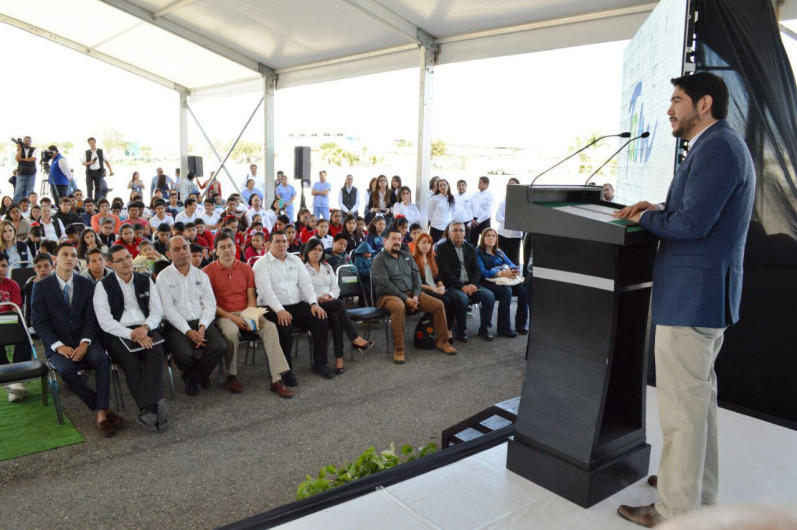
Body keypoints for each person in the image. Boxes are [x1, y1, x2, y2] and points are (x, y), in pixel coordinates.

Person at [614, 73, 756, 527]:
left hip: (694, 298)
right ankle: (696, 488)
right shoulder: (722, 145)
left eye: (677, 100)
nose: (670, 109)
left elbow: (692, 224)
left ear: (704, 103)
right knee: (698, 404)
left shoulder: (717, 147)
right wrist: (656, 209)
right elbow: (698, 215)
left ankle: (676, 509)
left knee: (682, 410)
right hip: (705, 296)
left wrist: (651, 214)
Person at [32, 243, 121, 436]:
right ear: (55, 258)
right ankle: (101, 407)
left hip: (85, 340)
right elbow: (39, 323)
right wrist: (59, 346)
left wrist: (85, 342)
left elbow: (91, 317)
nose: (70, 258)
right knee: (65, 369)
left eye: (73, 255)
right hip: (58, 344)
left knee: (101, 360)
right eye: (65, 254)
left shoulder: (86, 284)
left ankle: (101, 415)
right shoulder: (41, 287)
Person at [204, 233, 294, 395]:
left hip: (247, 311)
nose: (227, 250)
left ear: (236, 247)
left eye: (230, 246)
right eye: (222, 247)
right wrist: (235, 319)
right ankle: (231, 375)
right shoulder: (207, 272)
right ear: (215, 251)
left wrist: (250, 316)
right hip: (224, 315)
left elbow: (251, 297)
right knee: (231, 332)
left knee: (270, 327)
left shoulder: (245, 268)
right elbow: (211, 305)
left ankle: (277, 378)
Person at [94, 244, 168, 431]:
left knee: (156, 353)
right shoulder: (103, 286)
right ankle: (154, 405)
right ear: (110, 264)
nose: (127, 262)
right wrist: (132, 334)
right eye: (120, 260)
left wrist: (145, 328)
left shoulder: (145, 279)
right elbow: (105, 321)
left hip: (145, 326)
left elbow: (157, 310)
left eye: (128, 257)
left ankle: (147, 410)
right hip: (119, 331)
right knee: (131, 363)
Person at [253, 230, 333, 379]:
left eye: (284, 241)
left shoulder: (295, 260)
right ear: (269, 244)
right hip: (271, 307)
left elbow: (305, 283)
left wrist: (314, 303)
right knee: (284, 324)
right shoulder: (261, 264)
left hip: (295, 305)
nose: (282, 244)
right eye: (278, 241)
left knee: (320, 318)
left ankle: (320, 364)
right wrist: (279, 310)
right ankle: (286, 370)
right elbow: (265, 291)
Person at [372, 228, 457, 363]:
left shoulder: (406, 255)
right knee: (399, 307)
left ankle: (443, 341)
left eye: (399, 239)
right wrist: (406, 299)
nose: (397, 242)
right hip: (388, 296)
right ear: (385, 241)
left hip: (412, 294)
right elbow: (385, 285)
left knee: (438, 304)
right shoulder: (379, 260)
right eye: (394, 239)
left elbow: (417, 278)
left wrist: (416, 296)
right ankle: (399, 349)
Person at [156, 236, 226, 396]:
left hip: (202, 322)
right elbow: (168, 310)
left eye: (185, 247)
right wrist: (188, 331)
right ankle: (199, 375)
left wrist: (202, 326)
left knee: (219, 347)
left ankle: (193, 377)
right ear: (168, 254)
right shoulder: (163, 277)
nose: (182, 252)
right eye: (176, 249)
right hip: (175, 325)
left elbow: (209, 304)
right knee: (184, 355)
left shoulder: (201, 275)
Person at [303, 239, 373, 374]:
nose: (317, 252)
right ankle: (354, 339)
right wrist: (317, 299)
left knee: (336, 315)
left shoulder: (327, 267)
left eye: (320, 250)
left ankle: (339, 359)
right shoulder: (303, 269)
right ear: (307, 251)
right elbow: (302, 291)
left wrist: (328, 296)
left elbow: (336, 288)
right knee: (339, 305)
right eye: (314, 249)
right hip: (312, 305)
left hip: (329, 302)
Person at [436, 221, 496, 341]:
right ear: (449, 232)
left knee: (489, 296)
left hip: (471, 284)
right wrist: (462, 287)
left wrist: (473, 284)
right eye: (455, 230)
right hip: (453, 285)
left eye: (461, 230)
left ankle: (484, 328)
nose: (458, 233)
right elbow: (446, 272)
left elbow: (476, 270)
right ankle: (461, 331)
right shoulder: (442, 248)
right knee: (463, 299)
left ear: (464, 233)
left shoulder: (470, 247)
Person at [477, 228, 528, 337]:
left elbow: (511, 264)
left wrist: (514, 270)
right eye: (488, 235)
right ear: (483, 238)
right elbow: (483, 272)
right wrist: (501, 273)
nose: (491, 238)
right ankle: (504, 328)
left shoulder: (499, 251)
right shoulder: (478, 252)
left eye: (493, 236)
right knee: (506, 291)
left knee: (523, 291)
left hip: (504, 279)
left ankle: (520, 325)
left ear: (496, 239)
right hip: (487, 281)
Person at [412, 233, 457, 343]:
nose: (426, 245)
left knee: (454, 299)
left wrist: (441, 285)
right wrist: (434, 289)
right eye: (423, 243)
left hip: (435, 288)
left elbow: (438, 276)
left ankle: (448, 329)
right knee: (445, 300)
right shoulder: (413, 260)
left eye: (429, 243)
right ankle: (440, 331)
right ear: (417, 244)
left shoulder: (432, 258)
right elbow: (415, 283)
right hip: (423, 291)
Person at [495, 177, 523, 266]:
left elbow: (522, 217)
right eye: (509, 184)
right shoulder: (504, 201)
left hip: (515, 234)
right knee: (501, 255)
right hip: (503, 233)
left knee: (513, 257)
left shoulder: (521, 201)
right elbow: (497, 216)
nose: (511, 186)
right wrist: (509, 221)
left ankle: (513, 275)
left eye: (513, 184)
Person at [468, 177, 494, 245]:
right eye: (478, 183)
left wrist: (478, 221)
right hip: (474, 221)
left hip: (484, 221)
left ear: (486, 184)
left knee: (485, 242)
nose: (478, 184)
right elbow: (470, 208)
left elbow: (488, 211)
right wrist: (472, 219)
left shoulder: (490, 195)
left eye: (480, 183)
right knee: (472, 242)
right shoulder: (475, 194)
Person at [13, 137, 37, 204]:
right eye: (26, 141)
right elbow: (17, 158)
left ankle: (30, 206)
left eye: (29, 141)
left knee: (30, 191)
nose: (27, 142)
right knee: (18, 191)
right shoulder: (20, 149)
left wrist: (22, 159)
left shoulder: (34, 149)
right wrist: (20, 149)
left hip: (31, 173)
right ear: (23, 141)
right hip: (21, 173)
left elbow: (33, 159)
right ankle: (15, 206)